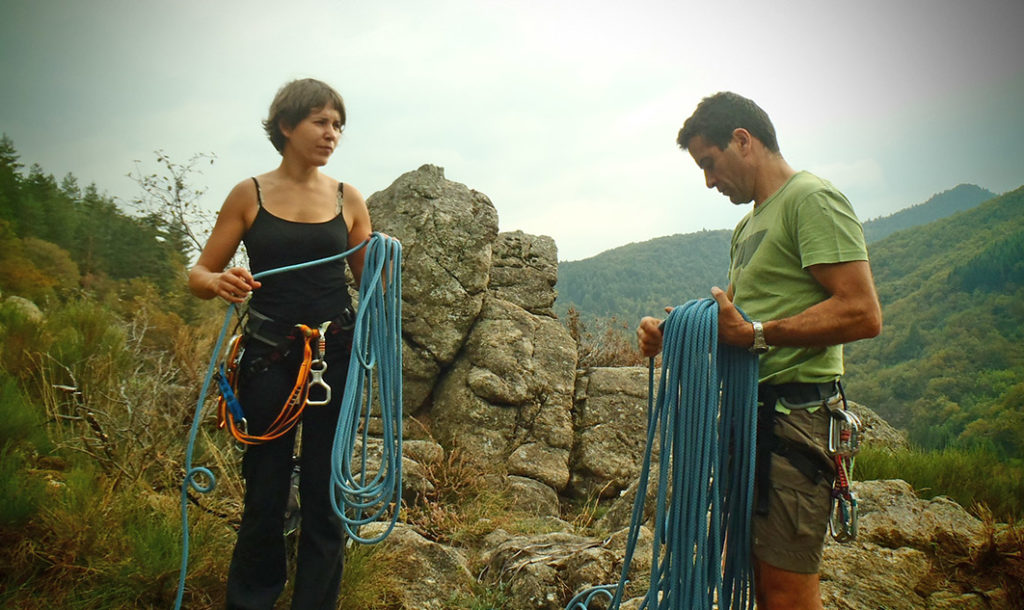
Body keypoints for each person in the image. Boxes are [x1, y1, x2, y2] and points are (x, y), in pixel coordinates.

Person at [637, 91, 882, 610]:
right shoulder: (747, 226)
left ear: (742, 141)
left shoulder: (810, 199)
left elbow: (862, 312)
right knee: (748, 573)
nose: (708, 181)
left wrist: (755, 335)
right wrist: (678, 334)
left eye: (710, 163)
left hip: (797, 422)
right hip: (753, 423)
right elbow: (741, 325)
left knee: (785, 593)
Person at [189, 78, 372, 610]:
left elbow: (370, 282)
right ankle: (251, 601)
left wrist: (385, 258)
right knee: (264, 492)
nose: (332, 133)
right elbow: (200, 273)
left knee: (325, 492)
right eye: (320, 121)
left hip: (333, 358)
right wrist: (218, 282)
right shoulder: (251, 194)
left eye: (338, 124)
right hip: (268, 359)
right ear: (287, 126)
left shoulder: (348, 198)